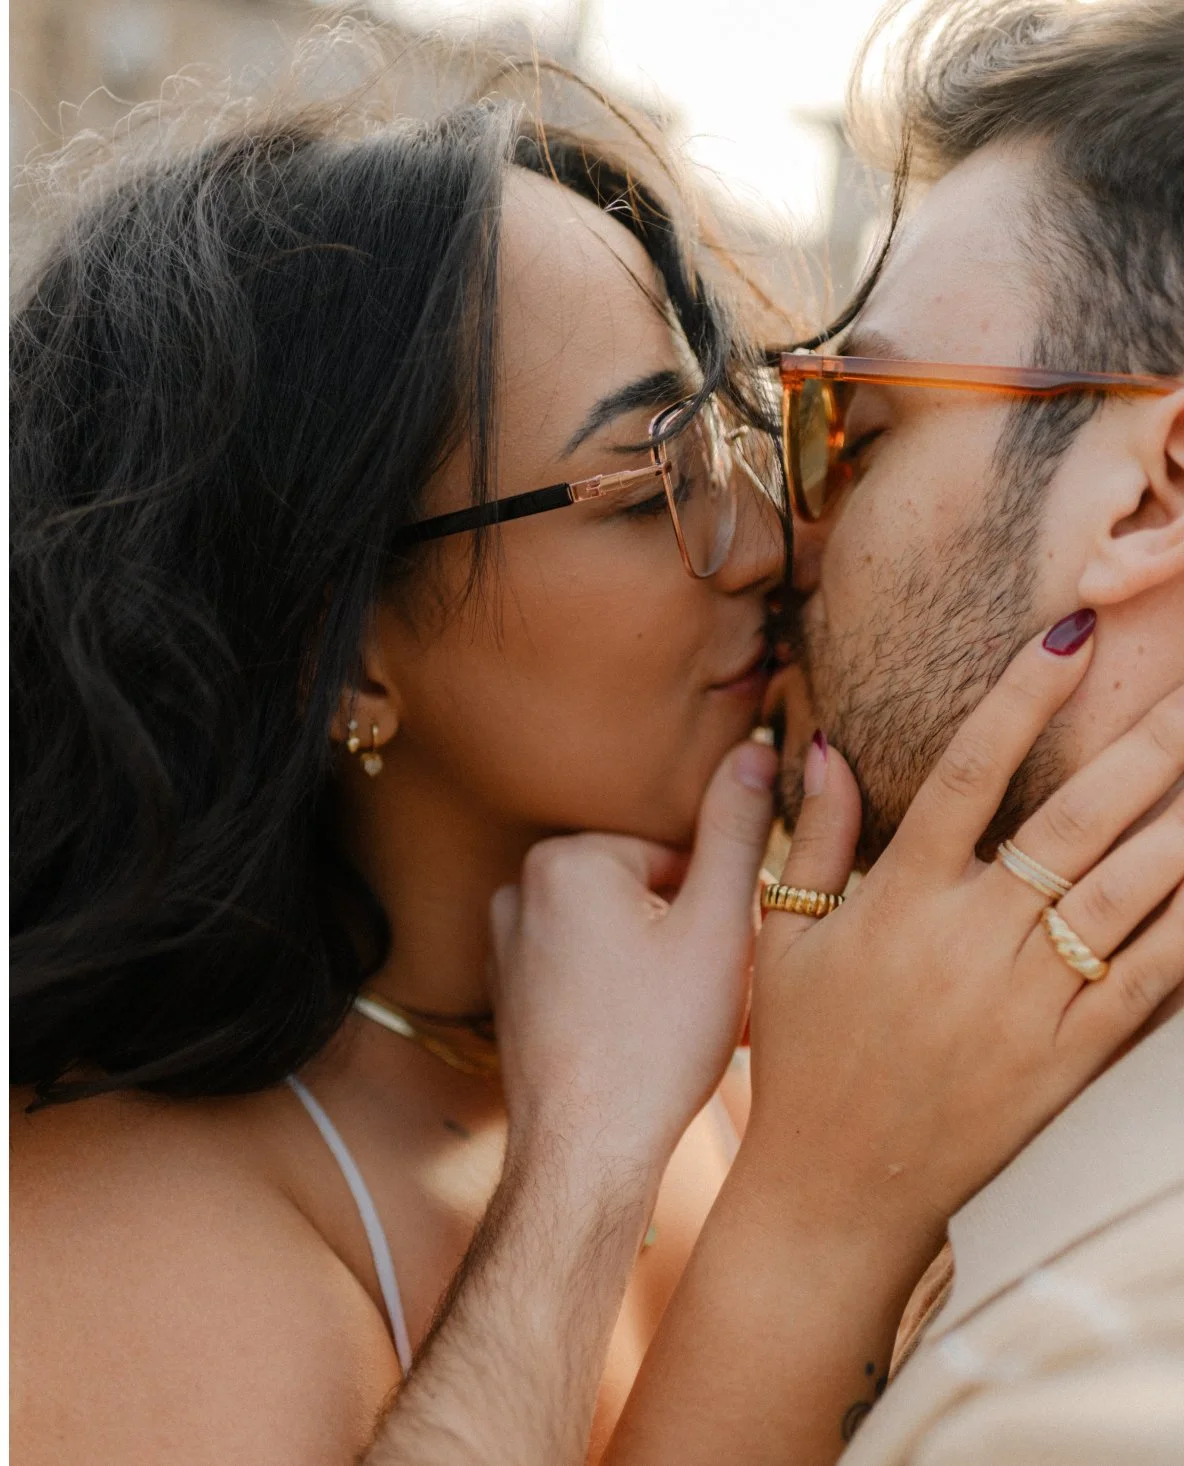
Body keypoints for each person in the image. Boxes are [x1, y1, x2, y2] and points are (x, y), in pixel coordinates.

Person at [8, 19, 1179, 1466]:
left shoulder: (793, 1027)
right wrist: (621, 1179)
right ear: (341, 645)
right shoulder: (117, 1249)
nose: (765, 540)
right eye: (650, 486)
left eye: (740, 439)